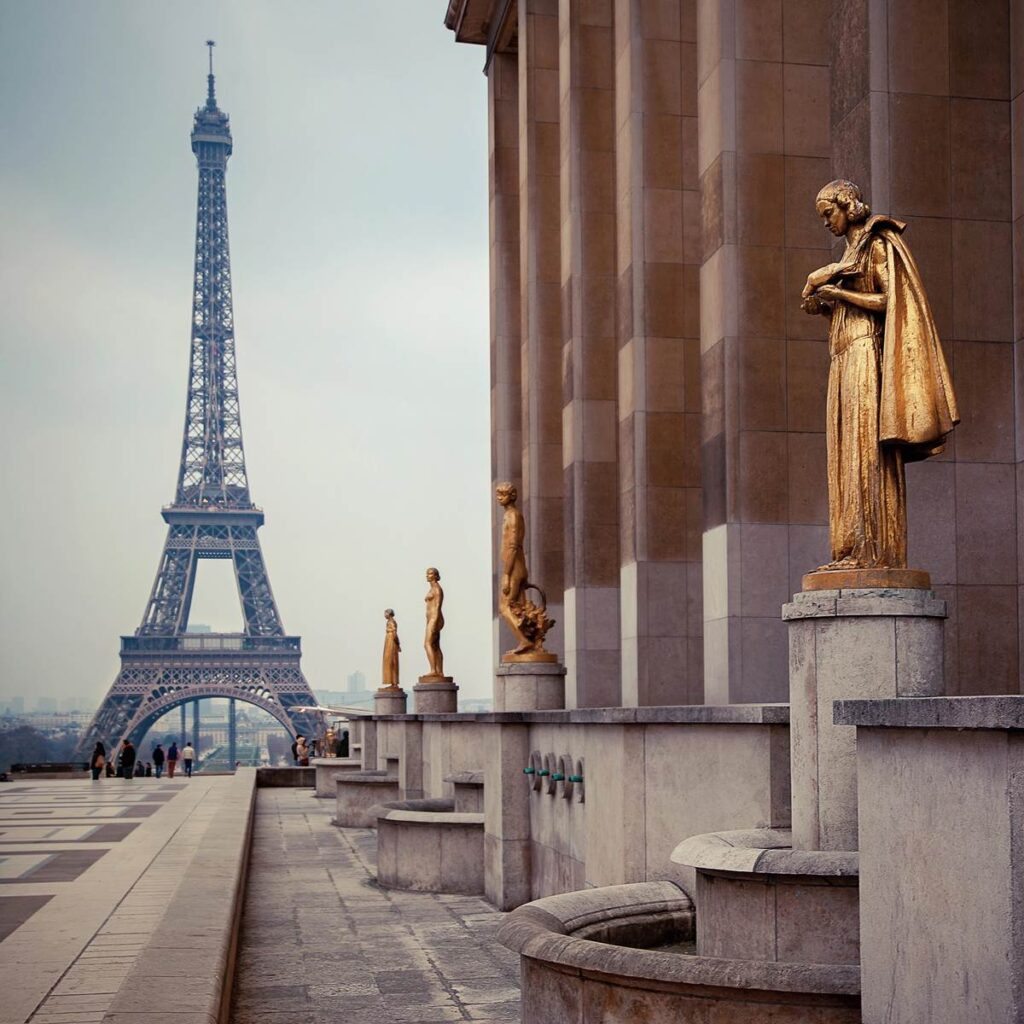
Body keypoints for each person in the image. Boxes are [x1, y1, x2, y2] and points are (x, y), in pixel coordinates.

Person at [800, 180, 958, 571]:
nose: (826, 223)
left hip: (865, 354)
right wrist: (822, 305)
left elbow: (890, 300)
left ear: (846, 206)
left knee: (864, 450)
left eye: (828, 214)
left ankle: (872, 551)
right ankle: (848, 550)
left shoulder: (877, 243)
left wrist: (839, 294)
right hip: (842, 358)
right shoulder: (847, 255)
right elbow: (850, 307)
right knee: (844, 453)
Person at [423, 567, 446, 678]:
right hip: (430, 619)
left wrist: (435, 622)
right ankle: (439, 671)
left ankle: (433, 670)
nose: (427, 575)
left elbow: (437, 607)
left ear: (436, 576)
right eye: (427, 573)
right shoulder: (432, 589)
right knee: (435, 646)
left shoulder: (437, 589)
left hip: (434, 618)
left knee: (427, 643)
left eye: (430, 574)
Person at [382, 608, 401, 687]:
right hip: (389, 642)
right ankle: (392, 682)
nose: (384, 615)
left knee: (392, 662)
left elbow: (394, 633)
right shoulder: (389, 622)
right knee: (389, 662)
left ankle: (395, 682)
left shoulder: (392, 622)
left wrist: (398, 644)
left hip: (391, 643)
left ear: (389, 614)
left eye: (385, 613)